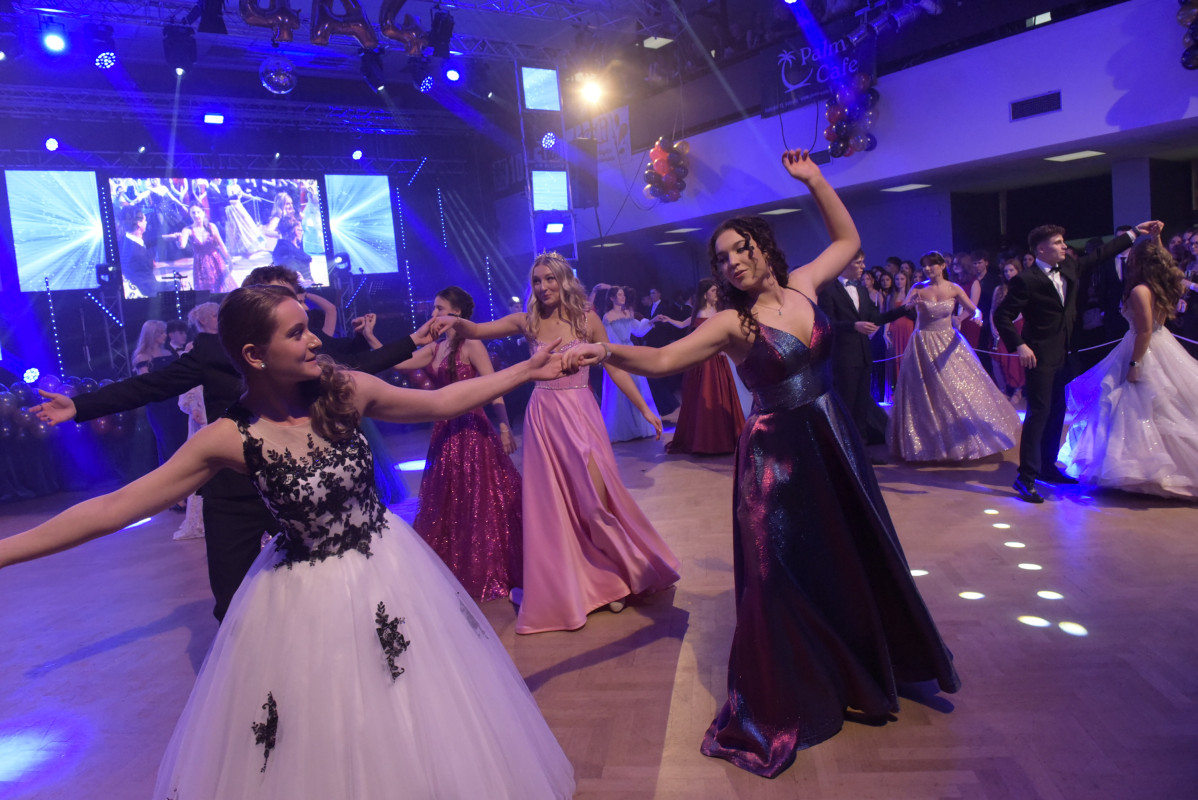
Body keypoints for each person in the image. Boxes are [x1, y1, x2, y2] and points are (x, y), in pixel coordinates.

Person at [3, 286, 575, 798]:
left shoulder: (344, 391)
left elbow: (441, 403)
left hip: (391, 573)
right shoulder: (229, 438)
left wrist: (526, 371)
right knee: (323, 730)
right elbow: (112, 509)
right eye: (298, 332)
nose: (314, 341)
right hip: (303, 603)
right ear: (255, 355)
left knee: (413, 712)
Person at [564, 149, 960, 778]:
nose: (732, 262)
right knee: (780, 577)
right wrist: (604, 351)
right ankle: (793, 692)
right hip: (776, 460)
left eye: (740, 248)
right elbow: (664, 360)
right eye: (721, 258)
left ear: (762, 247)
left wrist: (815, 179)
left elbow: (848, 239)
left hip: (832, 441)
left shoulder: (804, 284)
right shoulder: (732, 322)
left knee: (850, 554)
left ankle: (861, 663)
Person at [31, 278, 435, 622]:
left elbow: (358, 362)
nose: (307, 334)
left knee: (328, 585)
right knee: (233, 601)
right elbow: (148, 388)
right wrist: (80, 406)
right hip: (233, 492)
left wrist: (411, 342)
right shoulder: (213, 359)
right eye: (282, 307)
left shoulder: (314, 365)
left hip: (304, 491)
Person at [430, 253, 679, 635]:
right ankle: (595, 585)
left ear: (564, 280)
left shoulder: (587, 320)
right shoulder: (528, 321)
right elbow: (479, 330)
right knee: (556, 509)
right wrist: (454, 321)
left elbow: (614, 365)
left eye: (550, 279)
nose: (543, 286)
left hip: (581, 414)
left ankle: (622, 571)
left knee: (596, 501)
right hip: (544, 418)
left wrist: (645, 406)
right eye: (537, 280)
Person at [995, 220, 1159, 503]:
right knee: (1038, 414)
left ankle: (1047, 467)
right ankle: (1026, 477)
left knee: (1057, 410)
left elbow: (1100, 255)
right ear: (1041, 249)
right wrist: (1020, 345)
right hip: (1039, 355)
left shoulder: (1069, 266)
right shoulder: (1026, 279)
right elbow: (1002, 316)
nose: (1064, 246)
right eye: (1058, 243)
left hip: (1066, 353)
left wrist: (1134, 233)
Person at [392, 286, 523, 601]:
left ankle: (488, 566)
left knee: (481, 500)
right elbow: (399, 363)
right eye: (434, 308)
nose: (434, 313)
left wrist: (505, 426)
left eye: (439, 308)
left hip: (473, 431)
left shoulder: (472, 344)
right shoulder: (435, 348)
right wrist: (370, 338)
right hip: (445, 433)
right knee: (450, 502)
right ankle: (455, 567)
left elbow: (494, 386)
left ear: (457, 312)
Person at [1058, 236, 1198, 499]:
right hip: (1160, 343)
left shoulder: (1140, 291)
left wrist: (1135, 364)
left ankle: (1146, 471)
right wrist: (1157, 239)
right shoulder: (1163, 286)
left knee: (1138, 407)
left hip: (1143, 348)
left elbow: (1144, 331)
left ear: (1139, 262)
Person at [887, 252, 1020, 462]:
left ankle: (958, 440)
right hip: (922, 342)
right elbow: (903, 308)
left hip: (948, 341)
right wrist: (909, 306)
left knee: (954, 387)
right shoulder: (918, 288)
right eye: (925, 266)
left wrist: (976, 317)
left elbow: (975, 310)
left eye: (932, 265)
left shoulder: (954, 288)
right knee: (924, 390)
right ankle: (927, 443)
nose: (928, 269)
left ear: (942, 266)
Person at [817, 249, 911, 446]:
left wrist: (904, 309)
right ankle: (846, 451)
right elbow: (827, 323)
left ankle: (862, 451)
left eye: (863, 262)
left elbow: (876, 318)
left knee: (861, 408)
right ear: (845, 263)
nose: (863, 267)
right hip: (844, 356)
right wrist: (853, 326)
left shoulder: (861, 290)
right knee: (846, 405)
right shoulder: (828, 290)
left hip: (863, 356)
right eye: (858, 263)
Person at [655, 278, 745, 454]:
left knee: (722, 396)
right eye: (713, 291)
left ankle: (725, 437)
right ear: (705, 294)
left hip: (719, 359)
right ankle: (706, 440)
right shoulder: (700, 313)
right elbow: (683, 324)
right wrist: (668, 319)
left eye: (717, 290)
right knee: (705, 395)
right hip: (704, 362)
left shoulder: (718, 312)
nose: (716, 294)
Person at [600, 286, 661, 441]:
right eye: (620, 295)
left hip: (631, 351)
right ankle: (623, 429)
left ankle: (641, 426)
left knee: (637, 386)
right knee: (620, 390)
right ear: (612, 298)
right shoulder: (608, 316)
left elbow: (638, 330)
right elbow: (608, 338)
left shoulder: (628, 312)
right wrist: (616, 354)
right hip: (618, 353)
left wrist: (652, 321)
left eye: (623, 295)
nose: (623, 297)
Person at [132, 319, 190, 472]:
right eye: (161, 333)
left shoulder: (169, 353)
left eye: (164, 332)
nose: (165, 335)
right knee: (167, 441)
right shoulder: (143, 357)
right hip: (159, 405)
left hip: (175, 401)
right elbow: (145, 382)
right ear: (151, 335)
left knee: (182, 438)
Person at [170, 205, 237, 293]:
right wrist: (178, 241)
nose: (196, 215)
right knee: (205, 289)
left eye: (198, 212)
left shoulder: (211, 227)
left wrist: (229, 259)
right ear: (190, 214)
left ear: (203, 213)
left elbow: (221, 244)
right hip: (200, 265)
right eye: (193, 213)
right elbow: (182, 245)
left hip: (215, 261)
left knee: (221, 286)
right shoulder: (187, 229)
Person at [991, 259, 1026, 404]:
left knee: (1015, 360)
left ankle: (1018, 390)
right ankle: (1003, 390)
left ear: (1018, 270)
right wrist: (993, 326)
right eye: (1006, 271)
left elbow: (1023, 311)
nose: (1008, 273)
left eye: (1011, 270)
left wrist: (1007, 323)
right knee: (997, 359)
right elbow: (993, 309)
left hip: (1016, 327)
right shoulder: (998, 289)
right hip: (1000, 328)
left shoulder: (1024, 287)